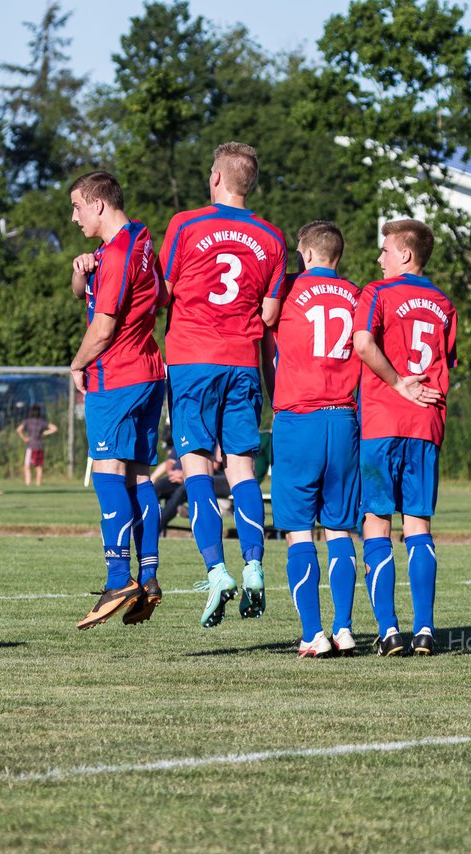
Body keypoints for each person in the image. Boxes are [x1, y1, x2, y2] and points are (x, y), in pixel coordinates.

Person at [160, 141, 286, 628]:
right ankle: (254, 564)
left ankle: (216, 572)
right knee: (242, 471)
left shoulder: (185, 224)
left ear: (215, 178)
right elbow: (271, 314)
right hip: (243, 363)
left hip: (192, 360)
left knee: (194, 468)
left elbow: (164, 290)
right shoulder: (272, 238)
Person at [68, 170, 167, 629]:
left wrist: (76, 364)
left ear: (99, 204)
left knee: (108, 473)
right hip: (149, 371)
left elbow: (103, 327)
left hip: (117, 375)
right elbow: (158, 295)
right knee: (139, 475)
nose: (74, 217)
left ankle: (117, 577)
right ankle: (148, 579)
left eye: (78, 207)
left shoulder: (119, 252)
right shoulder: (140, 241)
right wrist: (81, 272)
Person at [352, 219, 450, 657]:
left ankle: (390, 631)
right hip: (426, 423)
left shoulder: (377, 292)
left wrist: (396, 383)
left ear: (406, 255)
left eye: (386, 250)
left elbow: (362, 344)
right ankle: (426, 630)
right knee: (419, 525)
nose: (380, 258)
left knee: (377, 523)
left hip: (381, 420)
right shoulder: (444, 304)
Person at [266, 221, 364, 658]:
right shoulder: (360, 295)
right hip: (344, 418)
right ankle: (343, 627)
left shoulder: (287, 290)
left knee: (299, 531)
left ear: (304, 253)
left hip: (299, 418)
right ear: (337, 255)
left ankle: (312, 633)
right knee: (340, 529)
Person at [17, 404, 58, 487]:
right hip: (40, 446)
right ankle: (38, 483)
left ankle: (28, 482)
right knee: (39, 466)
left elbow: (18, 430)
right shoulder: (42, 422)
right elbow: (54, 428)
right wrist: (45, 433)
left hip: (31, 446)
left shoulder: (27, 421)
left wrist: (24, 438)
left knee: (27, 466)